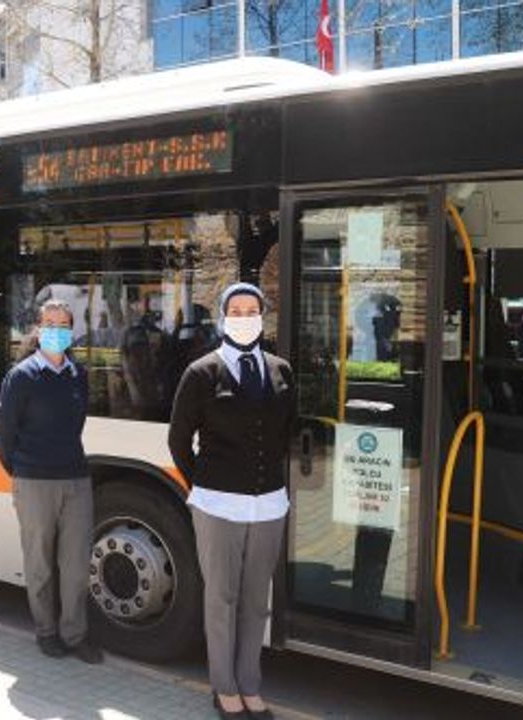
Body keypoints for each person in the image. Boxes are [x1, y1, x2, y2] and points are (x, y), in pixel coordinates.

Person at [167, 282, 295, 720]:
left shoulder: (281, 370)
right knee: (221, 598)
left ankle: (250, 684)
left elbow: (286, 435)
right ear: (223, 318)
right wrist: (203, 485)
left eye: (251, 309)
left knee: (256, 600)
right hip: (217, 506)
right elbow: (179, 440)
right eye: (235, 310)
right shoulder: (202, 372)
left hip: (269, 507)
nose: (244, 317)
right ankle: (224, 688)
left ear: (262, 316)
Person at [0, 298, 103, 664]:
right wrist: (25, 474)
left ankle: (75, 634)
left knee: (75, 565)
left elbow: (76, 427)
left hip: (76, 480)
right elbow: (4, 439)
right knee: (39, 563)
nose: (56, 331)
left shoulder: (79, 374)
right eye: (49, 324)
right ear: (38, 329)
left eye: (63, 325)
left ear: (71, 330)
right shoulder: (22, 376)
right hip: (34, 482)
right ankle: (46, 631)